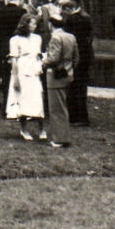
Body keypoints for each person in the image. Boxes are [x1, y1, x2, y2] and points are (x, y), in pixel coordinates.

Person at [4, 14, 44, 140]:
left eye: (35, 23)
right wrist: (16, 78)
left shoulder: (37, 38)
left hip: (34, 72)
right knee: (21, 100)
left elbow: (38, 56)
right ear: (25, 24)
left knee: (38, 99)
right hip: (21, 72)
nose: (35, 26)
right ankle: (24, 130)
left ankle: (42, 129)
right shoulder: (15, 40)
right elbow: (14, 60)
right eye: (32, 23)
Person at [42, 9, 78, 146]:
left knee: (56, 109)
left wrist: (43, 61)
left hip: (55, 76)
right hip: (68, 74)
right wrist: (69, 68)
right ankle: (63, 136)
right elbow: (76, 58)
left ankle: (59, 138)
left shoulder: (55, 38)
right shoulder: (71, 37)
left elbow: (53, 59)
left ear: (51, 25)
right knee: (62, 107)